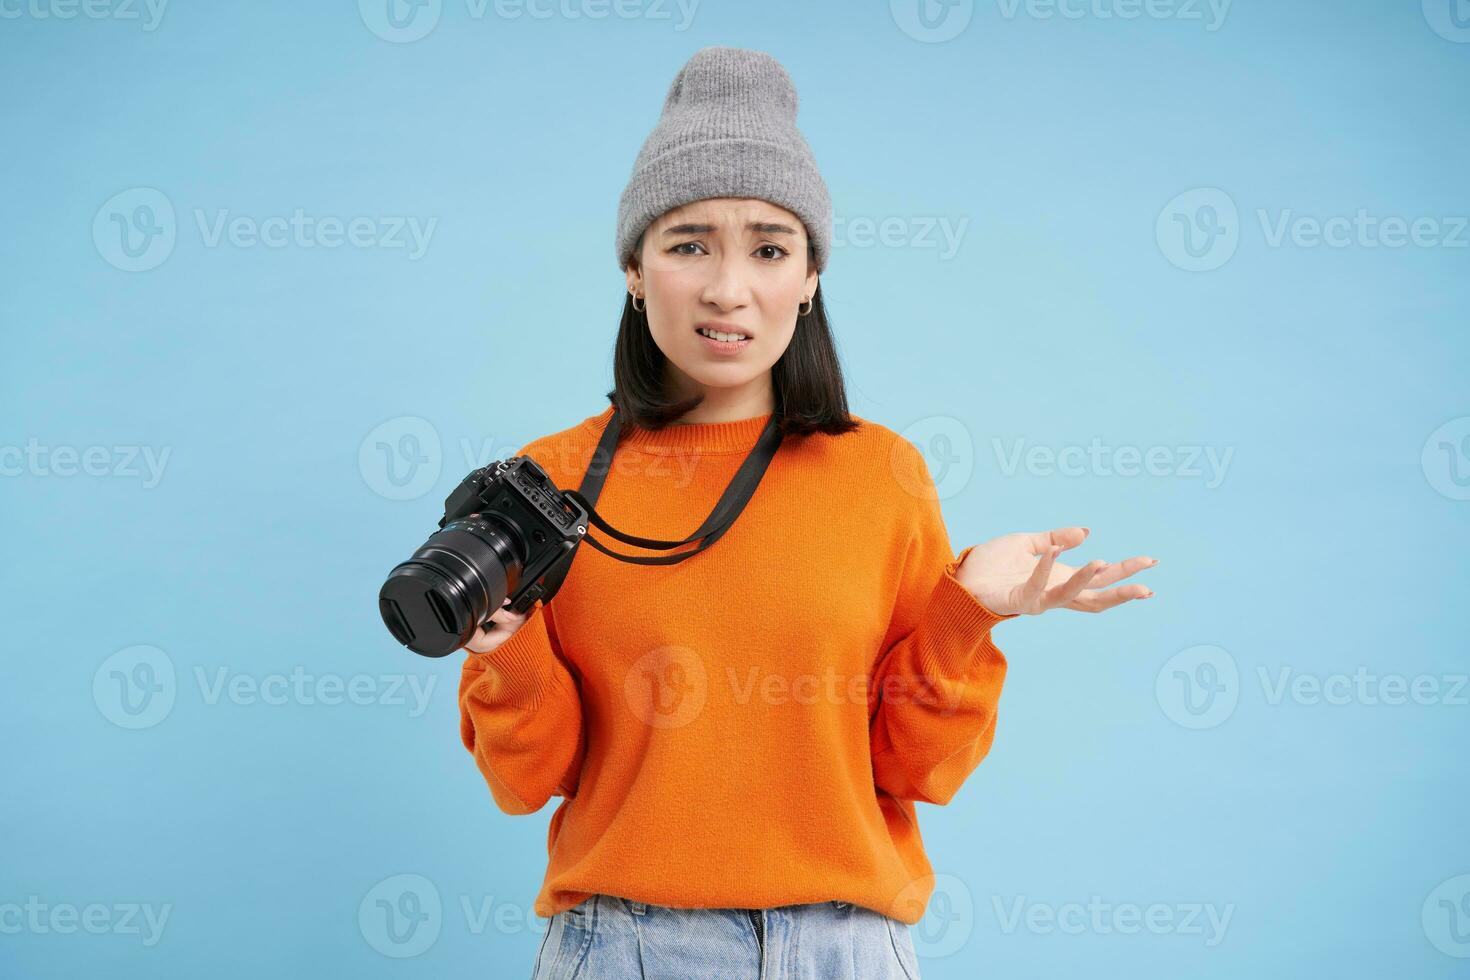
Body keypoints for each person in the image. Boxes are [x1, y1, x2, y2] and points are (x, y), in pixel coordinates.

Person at [457, 46, 1157, 980]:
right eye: (688, 243)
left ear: (811, 276)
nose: (728, 288)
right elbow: (523, 781)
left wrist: (967, 616)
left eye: (770, 248)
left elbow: (917, 772)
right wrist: (506, 648)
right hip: (626, 946)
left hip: (847, 949)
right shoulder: (547, 484)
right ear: (634, 267)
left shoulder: (883, 476)